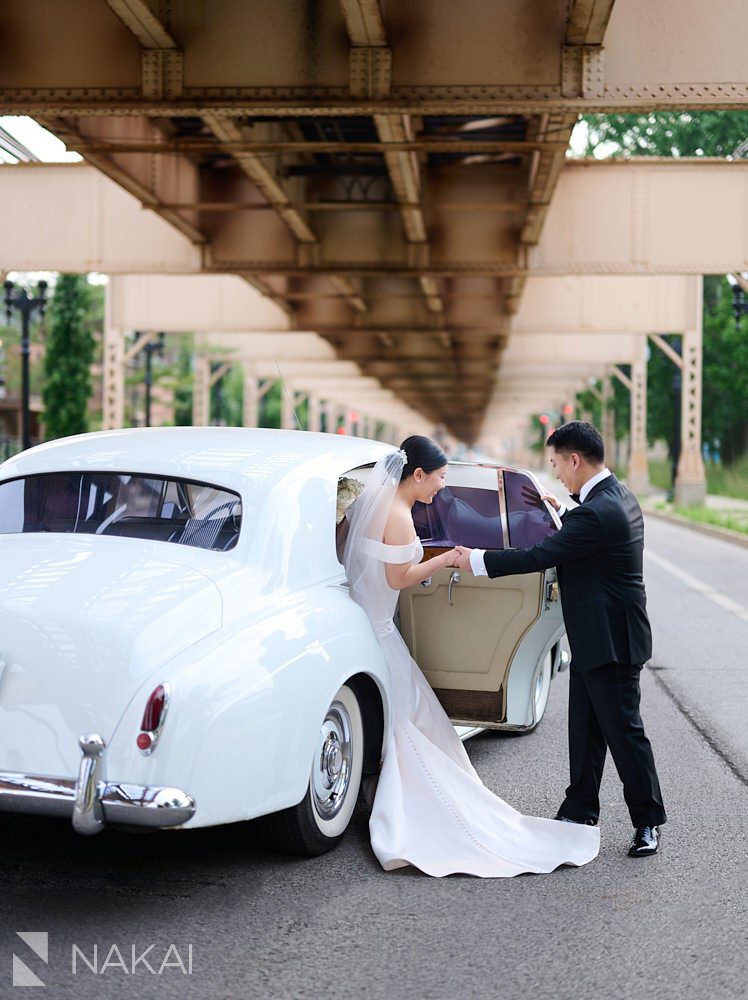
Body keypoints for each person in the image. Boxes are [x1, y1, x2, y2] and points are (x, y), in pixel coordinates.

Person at [343, 434, 599, 877]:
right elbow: (401, 577)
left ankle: (372, 788)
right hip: (381, 630)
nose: (442, 488)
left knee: (406, 716)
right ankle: (401, 804)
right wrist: (444, 562)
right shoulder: (402, 516)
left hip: (356, 623)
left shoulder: (367, 508)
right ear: (417, 474)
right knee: (409, 718)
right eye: (440, 478)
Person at [454, 421, 666, 858]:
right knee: (586, 729)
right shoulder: (617, 496)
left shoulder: (596, 513)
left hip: (613, 643)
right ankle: (580, 808)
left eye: (557, 465)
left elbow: (541, 556)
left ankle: (647, 822)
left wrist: (475, 560)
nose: (558, 475)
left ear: (575, 459)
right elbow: (583, 532)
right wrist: (559, 511)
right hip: (598, 637)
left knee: (624, 733)